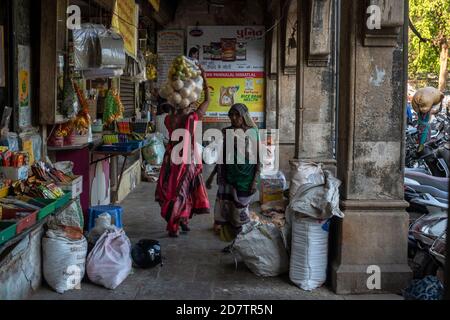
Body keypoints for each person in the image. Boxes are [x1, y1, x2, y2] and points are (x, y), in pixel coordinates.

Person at [155, 66, 211, 238]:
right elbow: (207, 101)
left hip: (171, 157)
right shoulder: (190, 118)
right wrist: (205, 79)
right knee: (182, 189)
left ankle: (183, 219)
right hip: (186, 159)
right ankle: (175, 225)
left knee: (173, 189)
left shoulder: (168, 119)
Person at [206, 104, 261, 252]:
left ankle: (242, 244)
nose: (233, 118)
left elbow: (258, 159)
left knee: (239, 213)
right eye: (231, 115)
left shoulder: (253, 132)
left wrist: (255, 180)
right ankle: (237, 244)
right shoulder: (226, 132)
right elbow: (222, 157)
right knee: (228, 212)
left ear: (244, 116)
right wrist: (211, 176)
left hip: (246, 179)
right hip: (229, 178)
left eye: (237, 115)